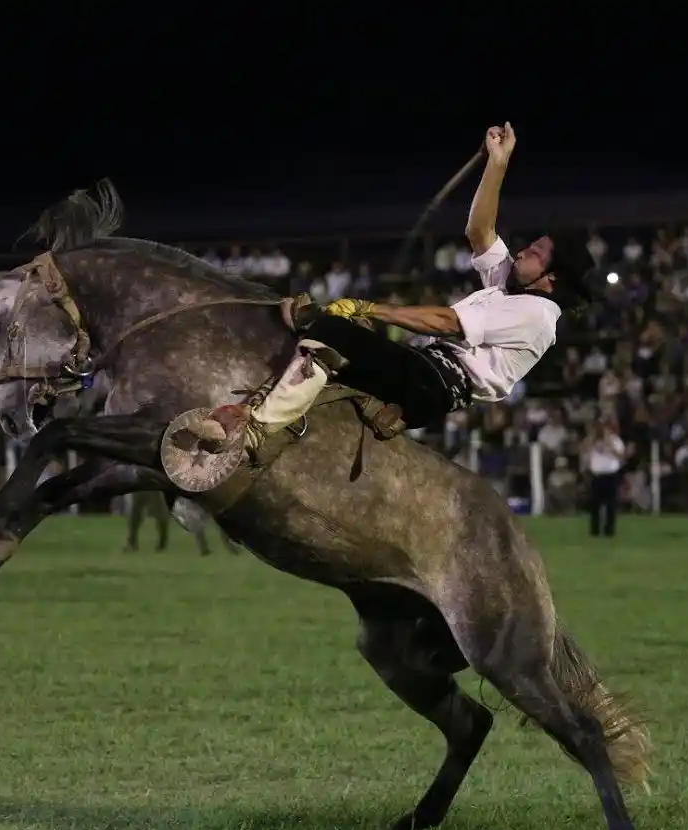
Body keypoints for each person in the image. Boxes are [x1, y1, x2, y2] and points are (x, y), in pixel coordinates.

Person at [189, 122, 595, 457]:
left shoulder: (537, 314)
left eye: (535, 253)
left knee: (330, 330)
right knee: (320, 325)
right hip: (425, 370)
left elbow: (447, 322)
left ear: (552, 278)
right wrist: (497, 163)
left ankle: (255, 432)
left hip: (434, 383)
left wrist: (367, 308)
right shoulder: (513, 289)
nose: (522, 251)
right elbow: (479, 231)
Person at [584, 419, 625, 537]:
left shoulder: (616, 441)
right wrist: (592, 439)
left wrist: (609, 444)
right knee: (595, 504)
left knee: (611, 504)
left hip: (610, 475)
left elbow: (620, 456)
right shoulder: (592, 441)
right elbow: (582, 449)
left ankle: (609, 530)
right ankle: (595, 530)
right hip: (597, 475)